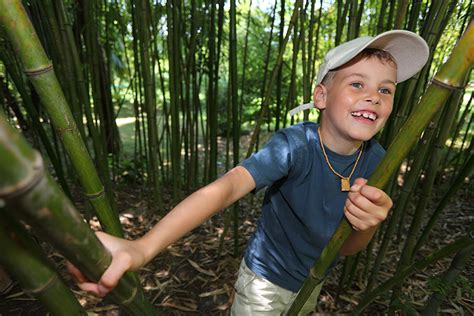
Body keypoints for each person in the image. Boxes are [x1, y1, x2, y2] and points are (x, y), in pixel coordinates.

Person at [68, 30, 429, 315]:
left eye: (386, 89)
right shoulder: (295, 145)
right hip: (265, 280)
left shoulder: (379, 160)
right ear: (321, 96)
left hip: (313, 282)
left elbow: (350, 248)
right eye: (357, 84)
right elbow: (226, 189)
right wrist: (142, 248)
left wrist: (369, 223)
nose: (374, 97)